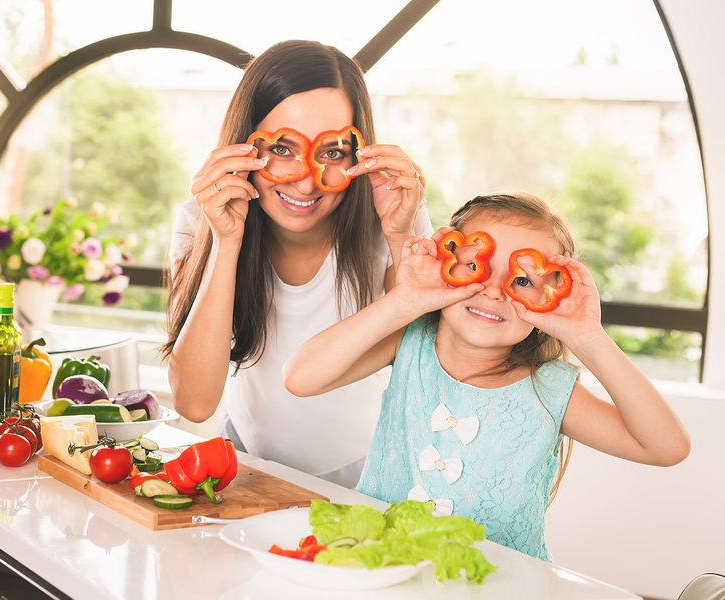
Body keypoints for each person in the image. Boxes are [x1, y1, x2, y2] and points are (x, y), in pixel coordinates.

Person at [283, 191, 690, 560]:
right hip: (382, 573)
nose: (494, 290)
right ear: (447, 262)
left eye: (522, 280)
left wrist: (588, 336)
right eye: (476, 266)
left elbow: (666, 447)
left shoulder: (549, 390)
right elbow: (300, 378)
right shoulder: (408, 341)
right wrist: (403, 301)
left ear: (553, 297)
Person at [160, 40, 433, 489]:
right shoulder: (200, 218)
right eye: (282, 149)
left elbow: (428, 360)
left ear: (357, 153)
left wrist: (402, 235)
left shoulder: (392, 217)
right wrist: (227, 242)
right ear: (245, 143)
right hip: (248, 469)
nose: (306, 182)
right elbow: (193, 402)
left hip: (370, 474)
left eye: (330, 152)